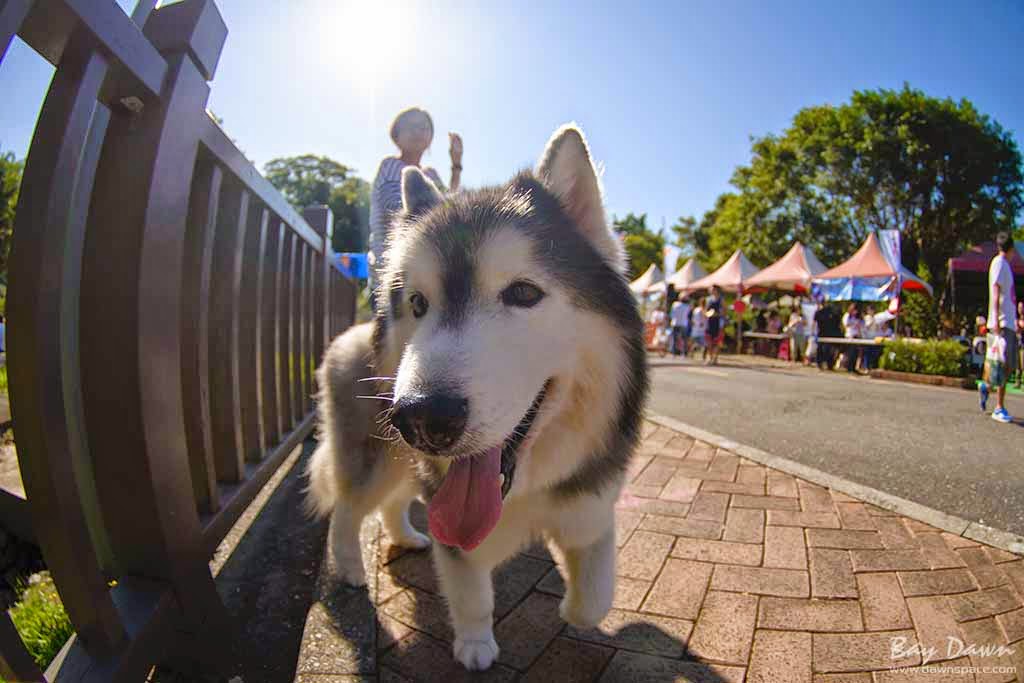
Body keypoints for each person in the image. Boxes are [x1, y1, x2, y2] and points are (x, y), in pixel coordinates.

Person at [368, 107, 463, 304]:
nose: (418, 131)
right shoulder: (391, 165)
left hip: (431, 278)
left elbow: (450, 210)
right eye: (410, 126)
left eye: (424, 127)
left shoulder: (432, 174)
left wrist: (456, 164)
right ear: (396, 135)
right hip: (393, 275)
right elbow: (396, 209)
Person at [979, 232, 1019, 423]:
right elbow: (995, 290)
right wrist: (995, 320)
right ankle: (999, 407)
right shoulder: (998, 263)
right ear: (1011, 249)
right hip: (1001, 323)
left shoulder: (1006, 266)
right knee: (1003, 364)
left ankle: (986, 386)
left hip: (1008, 322)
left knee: (1009, 365)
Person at [704, 285, 724, 365]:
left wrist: (718, 314)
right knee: (709, 341)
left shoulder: (721, 299)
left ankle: (715, 358)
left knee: (717, 341)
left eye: (713, 289)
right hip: (709, 322)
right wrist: (707, 314)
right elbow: (705, 310)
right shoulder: (708, 299)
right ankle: (710, 357)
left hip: (718, 322)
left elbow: (724, 311)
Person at [841, 303, 863, 372]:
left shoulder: (858, 317)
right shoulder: (847, 316)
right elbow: (846, 324)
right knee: (850, 352)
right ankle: (848, 367)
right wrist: (853, 324)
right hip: (849, 336)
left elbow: (861, 325)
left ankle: (853, 367)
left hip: (856, 336)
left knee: (855, 353)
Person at [1016, 300, 1024, 388]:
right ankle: (1018, 382)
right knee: (1018, 364)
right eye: (1019, 308)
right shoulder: (1017, 319)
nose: (1020, 309)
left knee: (1023, 364)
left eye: (1021, 307)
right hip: (1018, 344)